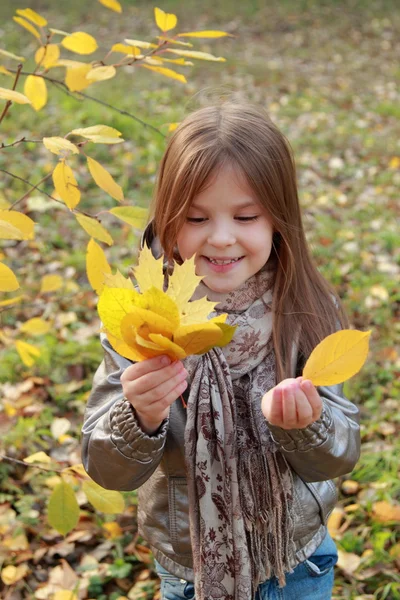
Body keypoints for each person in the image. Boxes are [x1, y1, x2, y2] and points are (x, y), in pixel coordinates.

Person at [81, 102, 361, 600]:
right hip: (193, 572)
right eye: (196, 217)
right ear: (168, 217)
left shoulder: (307, 311)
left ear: (279, 219)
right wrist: (137, 416)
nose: (222, 236)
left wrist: (308, 427)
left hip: (295, 561)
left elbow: (339, 456)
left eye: (246, 215)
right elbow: (107, 469)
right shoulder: (143, 322)